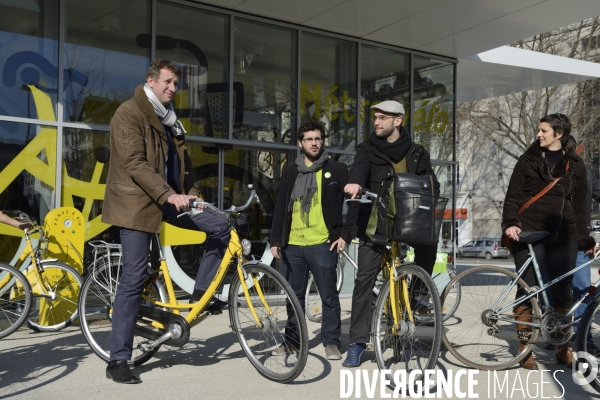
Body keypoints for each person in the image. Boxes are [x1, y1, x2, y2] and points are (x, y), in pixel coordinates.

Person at [102, 60, 230, 384]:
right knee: (133, 277)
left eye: (176, 84)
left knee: (221, 226)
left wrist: (193, 195)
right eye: (168, 82)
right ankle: (118, 359)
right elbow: (134, 162)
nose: (173, 88)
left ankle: (201, 296)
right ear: (151, 81)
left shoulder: (172, 122)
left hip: (170, 200)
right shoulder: (129, 113)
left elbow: (185, 170)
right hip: (136, 204)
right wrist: (168, 194)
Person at [342, 100, 440, 367]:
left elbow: (431, 184)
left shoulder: (418, 153)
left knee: (429, 241)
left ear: (398, 121)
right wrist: (355, 183)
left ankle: (417, 293)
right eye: (375, 118)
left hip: (407, 223)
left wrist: (426, 191)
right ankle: (358, 343)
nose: (377, 122)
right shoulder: (367, 149)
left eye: (383, 118)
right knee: (364, 281)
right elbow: (359, 169)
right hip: (375, 226)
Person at [502, 113, 596, 371]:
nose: (539, 134)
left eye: (544, 131)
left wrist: (585, 238)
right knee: (527, 288)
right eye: (538, 130)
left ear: (559, 134)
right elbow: (513, 196)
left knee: (563, 290)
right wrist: (511, 222)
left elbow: (579, 208)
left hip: (563, 233)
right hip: (529, 230)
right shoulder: (528, 160)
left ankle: (562, 348)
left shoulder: (576, 165)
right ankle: (524, 349)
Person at [270, 120, 353, 361]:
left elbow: (354, 204)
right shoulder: (290, 170)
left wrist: (344, 235)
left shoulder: (336, 169)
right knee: (293, 297)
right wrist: (276, 239)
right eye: (309, 139)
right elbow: (280, 206)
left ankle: (331, 343)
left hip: (322, 245)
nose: (314, 143)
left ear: (322, 141)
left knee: (328, 296)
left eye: (318, 138)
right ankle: (293, 342)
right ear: (300, 143)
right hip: (293, 245)